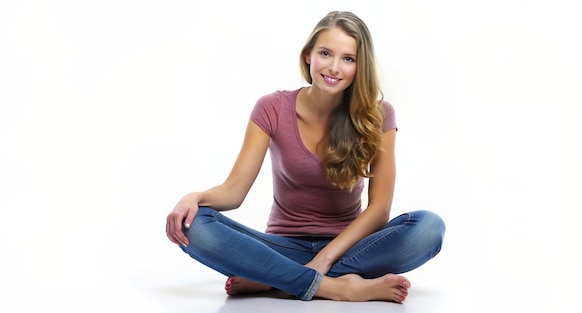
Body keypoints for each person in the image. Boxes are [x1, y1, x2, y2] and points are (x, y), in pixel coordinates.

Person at [165, 10, 445, 303]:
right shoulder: (271, 107)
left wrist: (324, 259)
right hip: (280, 246)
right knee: (193, 224)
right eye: (326, 53)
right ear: (309, 55)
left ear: (360, 66)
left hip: (350, 247)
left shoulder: (378, 115)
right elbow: (234, 192)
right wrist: (194, 198)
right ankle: (337, 287)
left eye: (348, 58)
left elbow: (379, 210)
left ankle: (276, 278)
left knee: (429, 227)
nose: (334, 67)